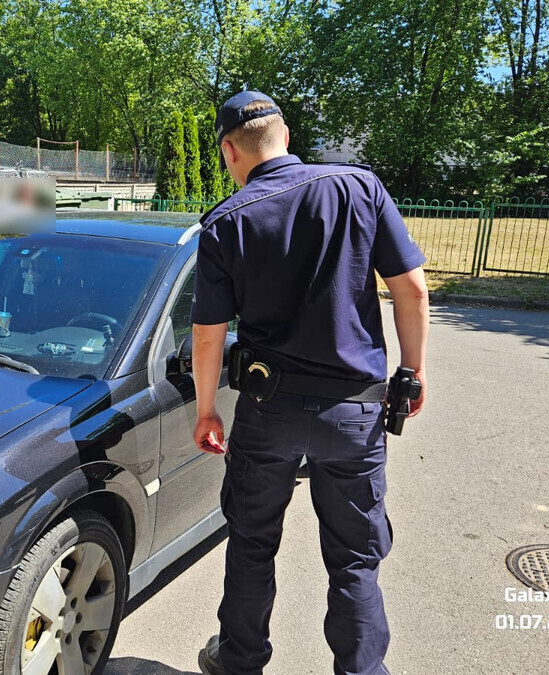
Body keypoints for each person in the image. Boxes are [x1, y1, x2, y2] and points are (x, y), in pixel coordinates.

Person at [190, 91, 429, 675]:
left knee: (251, 544)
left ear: (229, 151)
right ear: (286, 136)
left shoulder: (224, 222)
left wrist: (206, 412)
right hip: (355, 412)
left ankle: (239, 662)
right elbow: (413, 291)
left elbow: (206, 334)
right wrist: (413, 373)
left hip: (267, 411)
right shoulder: (360, 188)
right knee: (354, 560)